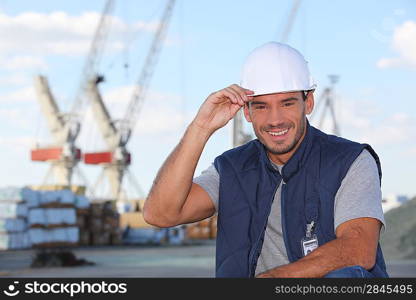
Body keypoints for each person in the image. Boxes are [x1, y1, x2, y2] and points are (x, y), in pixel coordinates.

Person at [143, 42, 389, 278]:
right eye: (261, 107)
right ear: (247, 112)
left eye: (287, 103)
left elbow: (358, 248)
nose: (275, 120)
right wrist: (201, 127)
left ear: (309, 102)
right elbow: (161, 215)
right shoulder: (232, 168)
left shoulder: (349, 161)